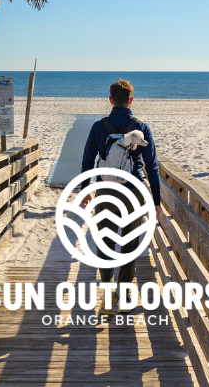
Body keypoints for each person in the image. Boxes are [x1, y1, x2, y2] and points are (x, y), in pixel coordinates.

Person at [80, 79, 162, 316]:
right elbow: (152, 167)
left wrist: (86, 189)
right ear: (131, 100)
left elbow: (87, 161)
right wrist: (156, 201)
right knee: (129, 244)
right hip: (133, 191)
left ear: (111, 100)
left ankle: (107, 296)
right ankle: (125, 296)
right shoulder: (141, 127)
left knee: (104, 242)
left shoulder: (98, 127)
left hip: (105, 190)